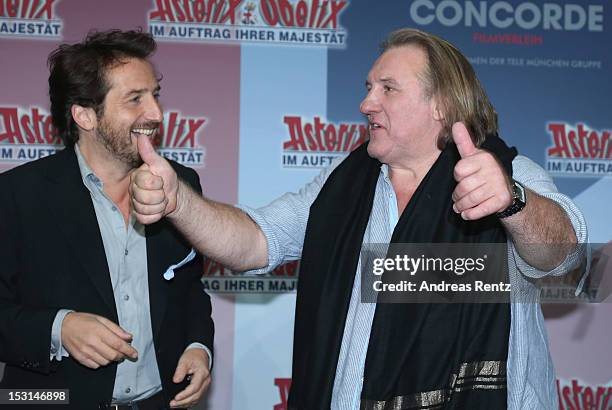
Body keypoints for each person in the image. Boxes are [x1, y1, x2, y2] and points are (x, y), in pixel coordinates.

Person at [130, 28, 587, 409]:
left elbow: (562, 256)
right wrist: (178, 202)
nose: (367, 103)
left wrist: (512, 201)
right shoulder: (343, 186)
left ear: (441, 105)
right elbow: (254, 242)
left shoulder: (506, 176)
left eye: (387, 88)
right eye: (368, 88)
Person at [0, 30, 214, 409]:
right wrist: (58, 329)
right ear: (85, 115)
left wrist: (198, 347)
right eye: (135, 99)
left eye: (155, 95)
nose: (156, 114)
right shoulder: (18, 194)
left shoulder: (180, 185)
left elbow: (189, 289)